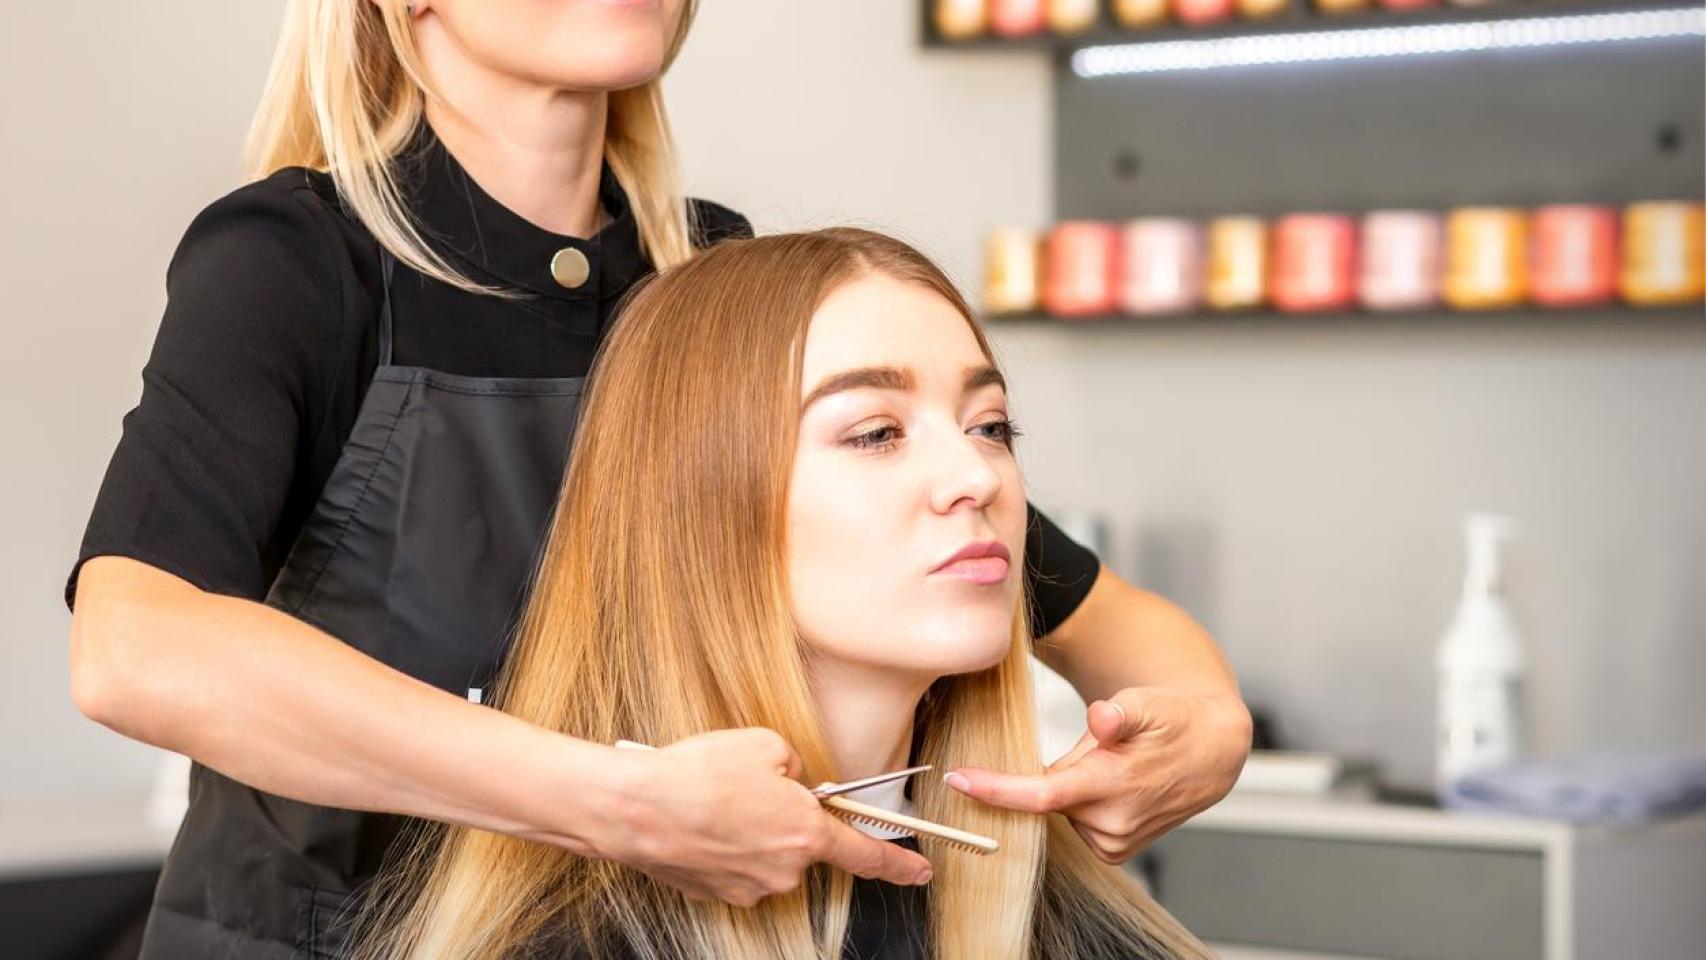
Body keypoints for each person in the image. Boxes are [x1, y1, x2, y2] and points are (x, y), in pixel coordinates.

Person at [65, 1, 1251, 957]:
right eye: (874, 432)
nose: (956, 466)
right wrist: (614, 802)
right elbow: (136, 649)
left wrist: (1206, 724)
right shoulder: (295, 266)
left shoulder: (713, 285)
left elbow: (1054, 589)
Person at [349, 226, 1215, 960]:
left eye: (990, 427)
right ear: (701, 506)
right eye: (876, 433)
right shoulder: (568, 936)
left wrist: (1213, 714)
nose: (972, 475)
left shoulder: (1046, 910)